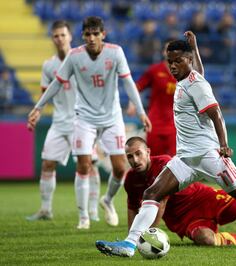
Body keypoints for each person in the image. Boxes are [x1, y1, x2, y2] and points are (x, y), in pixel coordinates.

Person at [95, 31, 236, 257]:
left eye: (177, 61)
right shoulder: (188, 78)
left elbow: (216, 113)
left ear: (188, 61)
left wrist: (224, 145)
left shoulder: (196, 85)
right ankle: (129, 244)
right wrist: (194, 47)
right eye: (169, 61)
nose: (172, 66)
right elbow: (200, 71)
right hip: (186, 159)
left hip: (209, 156)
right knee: (152, 192)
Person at [27, 16, 152, 229]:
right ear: (83, 36)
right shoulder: (75, 56)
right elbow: (57, 84)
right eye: (88, 34)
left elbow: (129, 83)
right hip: (84, 118)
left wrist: (140, 112)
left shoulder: (115, 52)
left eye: (96, 34)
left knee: (120, 168)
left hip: (112, 117)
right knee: (83, 165)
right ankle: (83, 216)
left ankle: (108, 200)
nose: (92, 38)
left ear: (103, 34)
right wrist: (38, 107)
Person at [25, 20, 101, 223]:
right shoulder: (49, 66)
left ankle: (92, 211)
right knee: (47, 164)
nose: (59, 39)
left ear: (70, 37)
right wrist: (37, 112)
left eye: (63, 35)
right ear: (52, 38)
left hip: (82, 122)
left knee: (89, 166)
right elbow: (45, 94)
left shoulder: (82, 60)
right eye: (56, 35)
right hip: (59, 122)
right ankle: (45, 209)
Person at [127, 40, 177, 157]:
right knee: (153, 160)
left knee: (176, 163)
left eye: (174, 50)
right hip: (154, 124)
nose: (170, 52)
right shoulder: (154, 70)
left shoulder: (185, 74)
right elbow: (137, 87)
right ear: (163, 52)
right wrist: (132, 103)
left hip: (176, 126)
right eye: (167, 49)